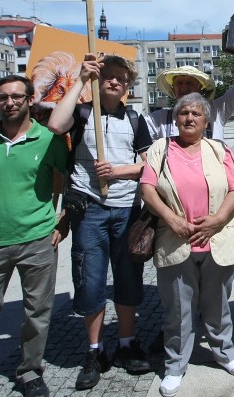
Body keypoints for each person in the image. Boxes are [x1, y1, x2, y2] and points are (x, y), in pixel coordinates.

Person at [0, 75, 69, 397]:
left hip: (38, 240)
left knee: (37, 313)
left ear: (30, 100)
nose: (10, 102)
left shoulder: (49, 139)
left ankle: (30, 372)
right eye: (4, 97)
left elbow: (62, 175)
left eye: (17, 96)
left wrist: (61, 216)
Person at [47, 53, 153, 390]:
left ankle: (126, 342)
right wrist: (80, 78)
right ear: (97, 78)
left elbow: (147, 167)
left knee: (127, 278)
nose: (115, 81)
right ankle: (94, 351)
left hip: (126, 210)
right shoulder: (80, 114)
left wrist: (120, 171)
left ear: (128, 85)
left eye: (122, 77)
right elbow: (54, 125)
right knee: (90, 280)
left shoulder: (135, 119)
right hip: (88, 209)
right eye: (108, 75)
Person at [139, 93, 234, 397]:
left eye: (196, 114)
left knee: (218, 304)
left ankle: (224, 352)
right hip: (175, 241)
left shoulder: (219, 149)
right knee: (177, 310)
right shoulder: (161, 148)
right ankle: (175, 365)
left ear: (206, 120)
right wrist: (171, 219)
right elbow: (147, 190)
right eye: (183, 113)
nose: (189, 118)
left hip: (216, 240)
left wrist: (218, 220)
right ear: (175, 118)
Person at [147, 52, 234, 141]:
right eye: (179, 83)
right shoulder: (160, 119)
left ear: (200, 88)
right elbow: (135, 130)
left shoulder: (216, 111)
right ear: (173, 89)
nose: (183, 87)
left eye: (189, 83)